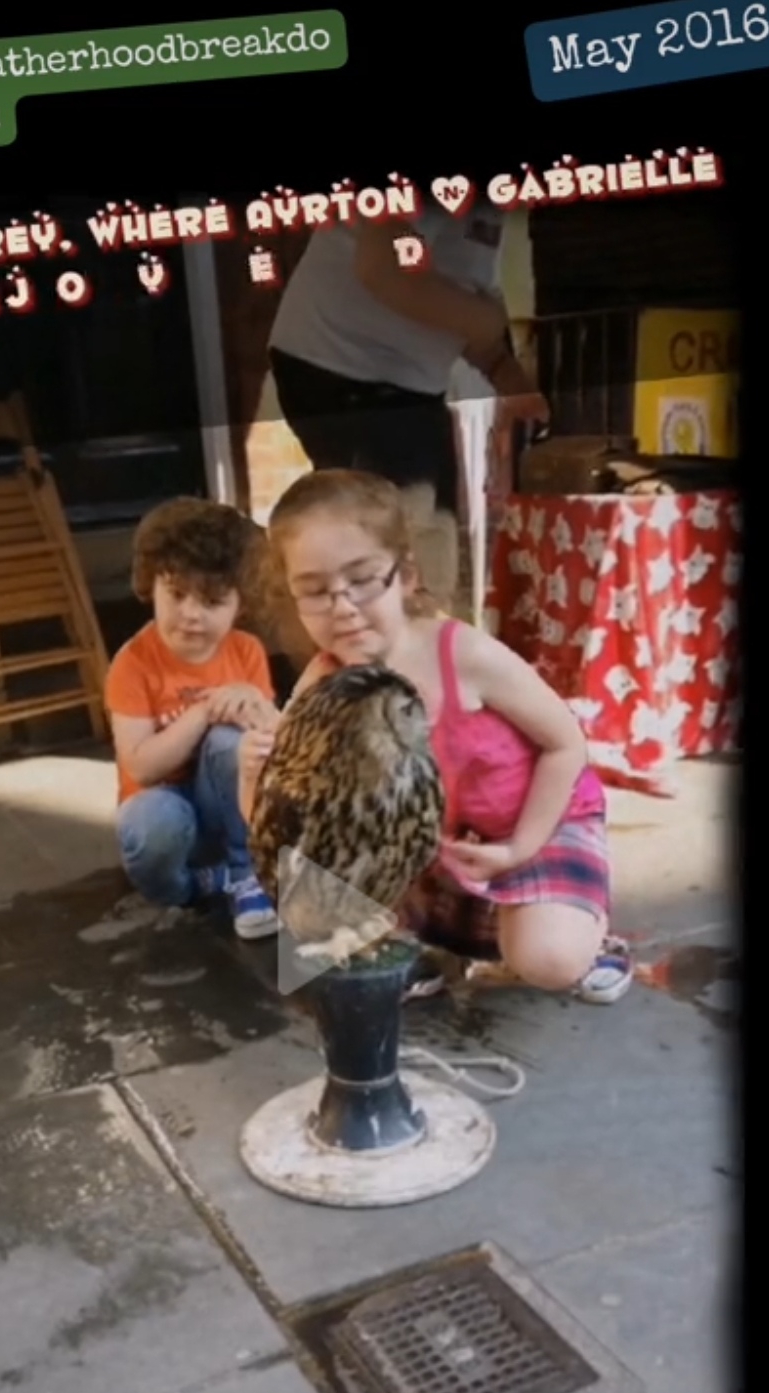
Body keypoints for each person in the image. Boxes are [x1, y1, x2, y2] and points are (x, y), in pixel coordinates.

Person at [237, 470, 633, 1003]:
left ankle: (588, 936)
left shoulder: (465, 654)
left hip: (539, 821)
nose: (343, 606)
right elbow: (287, 831)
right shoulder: (323, 683)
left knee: (549, 959)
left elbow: (566, 745)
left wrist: (520, 847)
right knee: (312, 915)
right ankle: (420, 946)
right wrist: (253, 775)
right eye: (315, 591)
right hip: (436, 844)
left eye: (361, 579)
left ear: (404, 573)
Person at [267, 196, 550, 611]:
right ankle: (398, 662)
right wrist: (485, 322)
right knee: (406, 552)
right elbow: (383, 269)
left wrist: (507, 374)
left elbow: (459, 282)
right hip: (345, 369)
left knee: (432, 545)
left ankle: (424, 655)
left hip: (398, 382)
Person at [104, 498, 281, 940]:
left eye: (212, 601)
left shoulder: (246, 652)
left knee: (232, 738)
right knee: (154, 826)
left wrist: (255, 706)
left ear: (241, 604)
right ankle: (192, 885)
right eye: (177, 594)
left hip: (226, 811)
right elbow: (142, 766)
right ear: (152, 585)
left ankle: (246, 876)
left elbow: (275, 743)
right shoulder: (132, 664)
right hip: (161, 809)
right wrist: (202, 711)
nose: (190, 614)